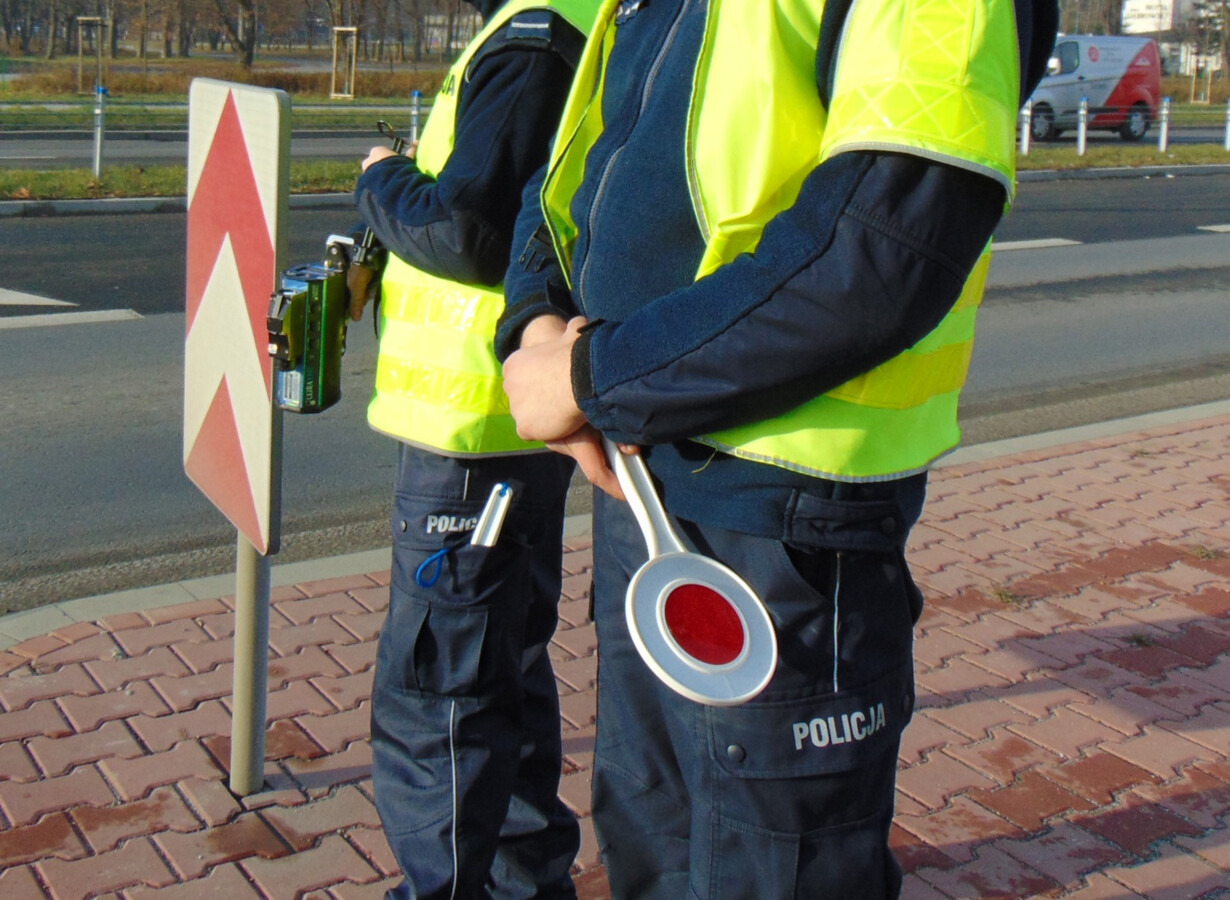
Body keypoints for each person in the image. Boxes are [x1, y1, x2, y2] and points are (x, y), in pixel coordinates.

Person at [495, 1, 1059, 897]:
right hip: (645, 482)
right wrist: (533, 327)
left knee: (773, 866)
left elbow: (881, 249)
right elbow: (571, 171)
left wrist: (593, 378)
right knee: (653, 839)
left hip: (789, 518)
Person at [345, 1, 598, 897]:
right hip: (509, 424)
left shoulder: (534, 34)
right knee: (502, 676)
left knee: (438, 697)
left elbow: (471, 229)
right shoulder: (571, 23)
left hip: (471, 438)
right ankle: (527, 884)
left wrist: (383, 180)